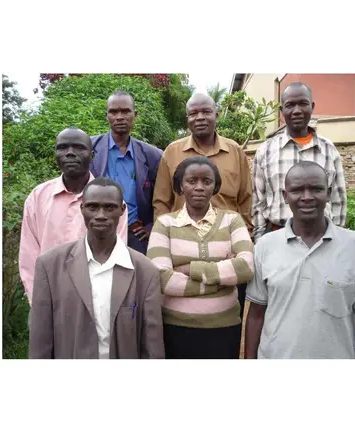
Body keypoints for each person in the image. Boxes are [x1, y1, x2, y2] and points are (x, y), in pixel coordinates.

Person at [245, 161, 355, 359]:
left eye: (316, 189)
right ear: (285, 196)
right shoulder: (265, 247)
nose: (307, 197)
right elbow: (256, 314)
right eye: (297, 190)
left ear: (328, 193)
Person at [29, 177, 164, 359]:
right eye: (92, 207)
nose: (101, 215)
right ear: (82, 208)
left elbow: (152, 345)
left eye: (110, 208)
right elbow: (40, 341)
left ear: (122, 210)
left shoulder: (146, 271)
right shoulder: (50, 266)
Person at [152, 93, 253, 321]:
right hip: (182, 250)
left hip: (226, 251)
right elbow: (161, 201)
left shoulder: (235, 151)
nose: (199, 117)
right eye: (193, 113)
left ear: (217, 114)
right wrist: (164, 242)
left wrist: (243, 241)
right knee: (179, 312)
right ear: (187, 118)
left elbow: (246, 198)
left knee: (228, 312)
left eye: (206, 112)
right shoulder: (172, 152)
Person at [147, 157, 254, 359]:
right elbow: (161, 278)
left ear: (215, 186)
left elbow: (246, 267)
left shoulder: (232, 220)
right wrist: (222, 279)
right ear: (181, 186)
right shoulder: (164, 224)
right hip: (175, 328)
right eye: (191, 181)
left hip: (225, 328)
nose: (199, 187)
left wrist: (189, 269)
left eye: (206, 181)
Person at [19, 127, 128, 304]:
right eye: (62, 147)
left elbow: (117, 252)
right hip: (47, 296)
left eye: (78, 147)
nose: (70, 153)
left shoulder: (112, 199)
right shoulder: (38, 197)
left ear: (91, 155)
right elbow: (28, 256)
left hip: (96, 300)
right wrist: (38, 302)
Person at [252, 82, 347, 242]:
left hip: (322, 238)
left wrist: (336, 240)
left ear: (312, 107)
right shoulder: (265, 151)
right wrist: (260, 241)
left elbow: (338, 199)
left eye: (303, 103)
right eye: (290, 105)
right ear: (281, 111)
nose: (297, 111)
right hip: (277, 237)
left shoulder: (328, 149)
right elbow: (258, 201)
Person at [90, 91, 163, 255]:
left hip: (135, 235)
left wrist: (152, 227)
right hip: (95, 234)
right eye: (113, 112)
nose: (119, 117)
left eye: (125, 111)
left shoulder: (152, 155)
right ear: (106, 115)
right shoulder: (89, 148)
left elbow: (162, 197)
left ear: (134, 115)